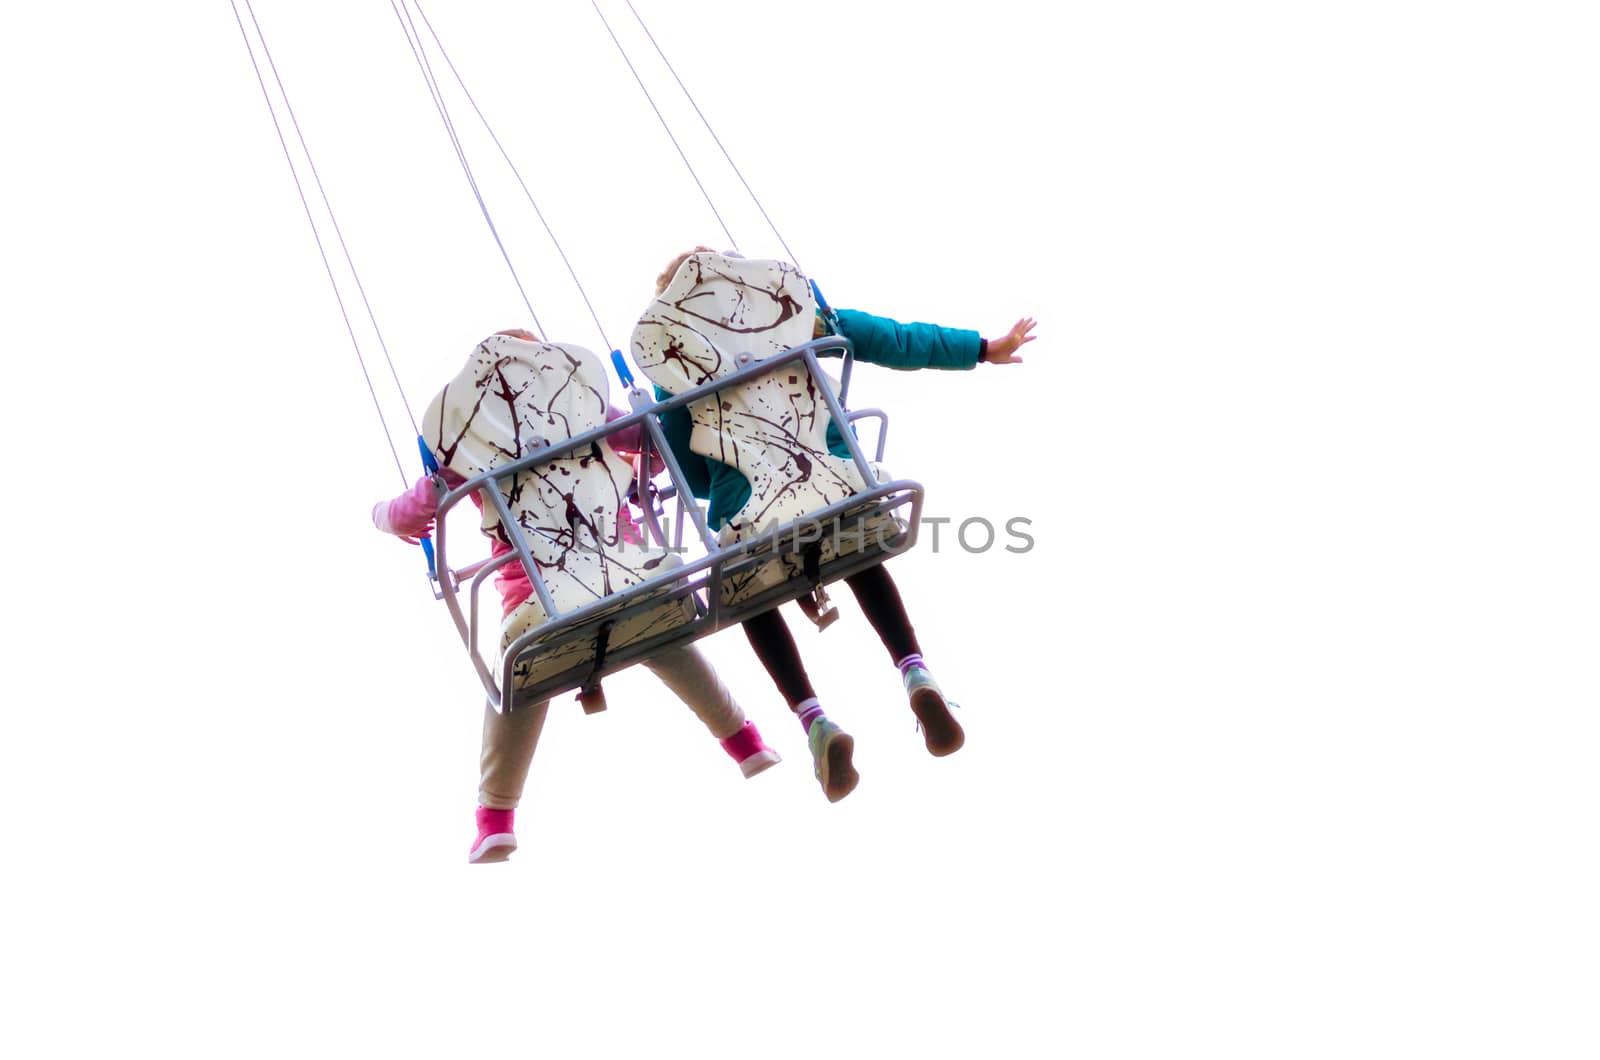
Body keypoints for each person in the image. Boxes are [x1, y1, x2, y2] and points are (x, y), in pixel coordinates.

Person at [638, 250, 1036, 803]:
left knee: (749, 593)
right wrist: (981, 350)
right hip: (835, 484)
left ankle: (814, 719)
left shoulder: (671, 374)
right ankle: (915, 671)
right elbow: (892, 338)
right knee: (855, 545)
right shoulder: (801, 314)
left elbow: (690, 470)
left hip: (749, 516)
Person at [373, 329, 781, 864]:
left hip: (541, 603)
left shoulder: (464, 447)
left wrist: (383, 513)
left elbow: (409, 513)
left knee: (518, 685)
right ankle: (742, 740)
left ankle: (495, 816)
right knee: (667, 641)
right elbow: (650, 449)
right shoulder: (582, 410)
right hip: (628, 572)